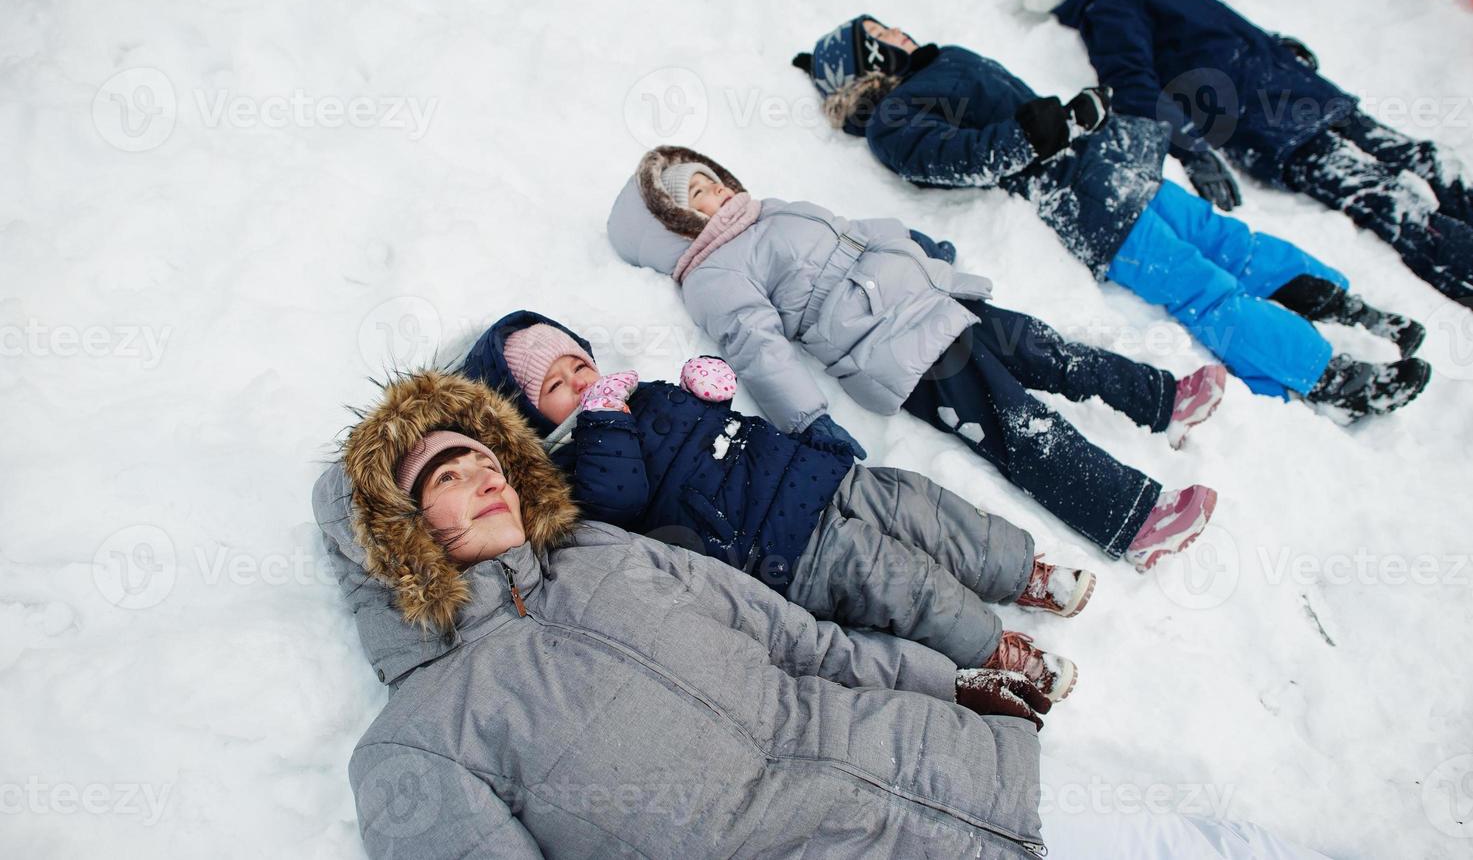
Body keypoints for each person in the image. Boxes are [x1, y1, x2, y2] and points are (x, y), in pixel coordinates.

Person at [311, 369, 1338, 859]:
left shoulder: (608, 554)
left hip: (959, 763)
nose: (485, 471)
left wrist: (981, 685)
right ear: (393, 528)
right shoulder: (422, 739)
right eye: (449, 469)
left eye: (490, 453)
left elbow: (810, 644)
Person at [607, 144, 1224, 571]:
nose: (715, 188)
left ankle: (1162, 399)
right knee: (1019, 423)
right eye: (694, 193)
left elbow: (855, 229)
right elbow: (756, 346)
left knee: (1048, 349)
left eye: (709, 176)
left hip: (932, 293)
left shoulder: (767, 212)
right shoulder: (714, 272)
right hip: (900, 348)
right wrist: (808, 420)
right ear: (674, 226)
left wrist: (914, 244)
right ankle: (1136, 521)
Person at [792, 14, 1430, 422]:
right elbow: (961, 158)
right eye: (882, 35)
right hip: (1087, 202)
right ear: (868, 63)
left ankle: (1345, 306)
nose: (901, 31)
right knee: (1209, 292)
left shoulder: (942, 60)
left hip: (1112, 164)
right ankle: (1336, 378)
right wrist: (1045, 130)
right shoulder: (892, 121)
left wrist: (1080, 120)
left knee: (1232, 243)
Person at [461, 310, 1093, 696]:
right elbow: (621, 498)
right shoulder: (574, 468)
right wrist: (602, 422)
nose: (580, 383)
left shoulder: (638, 395)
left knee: (923, 506)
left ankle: (1019, 569)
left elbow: (703, 430)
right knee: (903, 583)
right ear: (529, 418)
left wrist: (701, 392)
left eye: (577, 365)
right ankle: (992, 651)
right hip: (786, 542)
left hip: (814, 473)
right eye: (556, 387)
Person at [1024, 0, 1473, 307]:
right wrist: (1190, 147)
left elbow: (1216, 29)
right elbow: (1131, 82)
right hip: (1269, 123)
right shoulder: (1109, 9)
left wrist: (1275, 46)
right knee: (1387, 197)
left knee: (1423, 158)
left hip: (1299, 89)